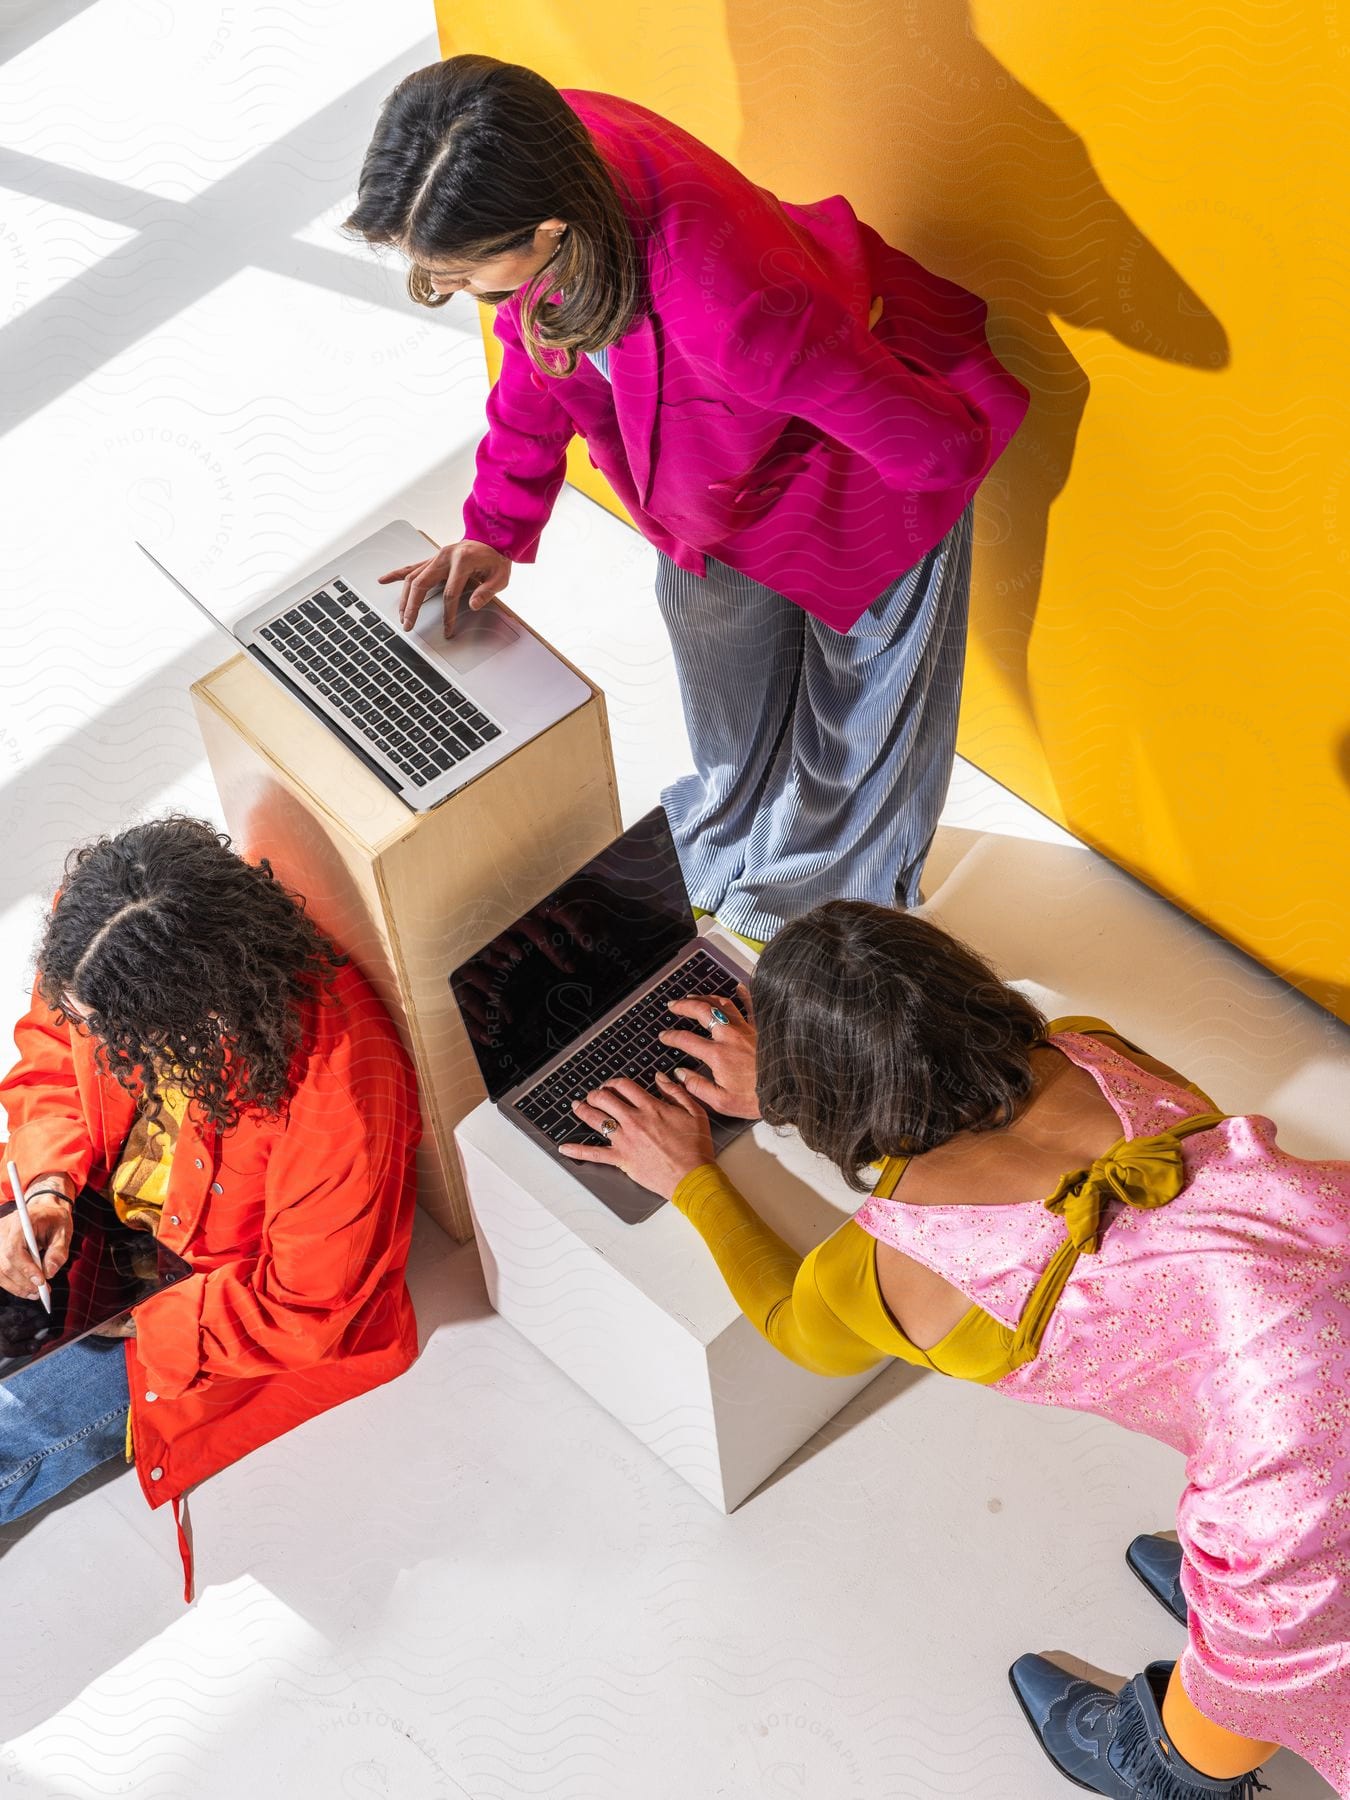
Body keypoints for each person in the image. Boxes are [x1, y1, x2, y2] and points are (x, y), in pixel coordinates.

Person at [556, 899, 1350, 1799]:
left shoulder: (900, 1265)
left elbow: (791, 1326)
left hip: (1314, 1478)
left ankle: (1172, 1764)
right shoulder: (1096, 1051)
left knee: (1281, 1630)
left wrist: (692, 1176)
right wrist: (802, 1086)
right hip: (1330, 1298)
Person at [343, 55, 1031, 947]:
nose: (460, 295)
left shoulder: (734, 311)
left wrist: (898, 546)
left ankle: (812, 918)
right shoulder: (545, 142)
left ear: (549, 230)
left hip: (864, 483)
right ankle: (728, 843)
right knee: (722, 676)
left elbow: (937, 447)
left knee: (856, 723)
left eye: (466, 275)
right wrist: (495, 530)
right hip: (711, 488)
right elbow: (536, 350)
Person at [0, 819, 422, 1597]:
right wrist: (42, 1188)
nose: (88, 1031)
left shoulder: (342, 1095)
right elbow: (52, 1055)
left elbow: (308, 1308)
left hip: (199, 1307)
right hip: (92, 1225)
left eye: (110, 1033)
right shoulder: (106, 946)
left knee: (11, 1421)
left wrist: (143, 1321)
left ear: (188, 1014)